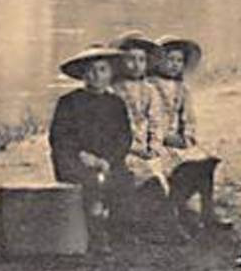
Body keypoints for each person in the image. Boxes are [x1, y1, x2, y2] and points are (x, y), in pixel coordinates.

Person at [48, 46, 133, 252]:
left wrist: (109, 159)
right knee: (89, 182)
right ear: (83, 74)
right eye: (90, 70)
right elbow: (59, 137)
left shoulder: (116, 103)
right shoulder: (69, 102)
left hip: (107, 160)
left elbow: (124, 137)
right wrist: (82, 155)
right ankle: (95, 233)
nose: (96, 75)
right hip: (76, 160)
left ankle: (116, 230)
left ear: (111, 73)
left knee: (123, 179)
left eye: (102, 69)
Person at [150, 35, 229, 234]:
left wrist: (186, 138)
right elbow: (149, 118)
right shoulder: (150, 86)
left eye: (179, 61)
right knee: (174, 168)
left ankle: (207, 211)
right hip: (157, 142)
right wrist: (163, 137)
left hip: (178, 141)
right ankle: (173, 211)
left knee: (206, 163)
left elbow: (189, 119)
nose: (174, 65)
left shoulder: (182, 90)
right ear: (158, 61)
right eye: (169, 60)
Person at [111, 31, 180, 238]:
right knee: (143, 174)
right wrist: (137, 149)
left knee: (168, 166)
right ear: (121, 62)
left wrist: (154, 146)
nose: (136, 65)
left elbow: (156, 122)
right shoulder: (114, 91)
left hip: (148, 148)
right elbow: (115, 129)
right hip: (126, 148)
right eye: (130, 59)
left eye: (141, 60)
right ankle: (152, 224)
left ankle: (170, 218)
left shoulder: (149, 90)